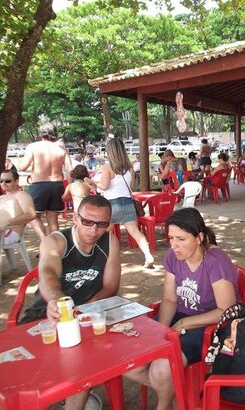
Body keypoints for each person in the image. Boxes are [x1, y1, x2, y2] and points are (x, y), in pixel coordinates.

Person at [124, 208, 240, 409]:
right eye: (170, 238)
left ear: (199, 238)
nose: (174, 245)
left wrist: (183, 323)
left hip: (211, 324)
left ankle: (164, 404)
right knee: (130, 362)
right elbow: (169, 299)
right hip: (181, 314)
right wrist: (160, 332)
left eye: (181, 239)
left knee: (160, 370)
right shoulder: (172, 256)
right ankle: (180, 395)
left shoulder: (215, 261)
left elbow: (225, 310)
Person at [21, 194, 120, 410]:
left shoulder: (110, 241)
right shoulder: (56, 241)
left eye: (101, 224)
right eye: (87, 221)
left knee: (87, 362)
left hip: (87, 318)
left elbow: (111, 287)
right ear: (75, 218)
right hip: (44, 315)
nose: (93, 230)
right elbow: (47, 273)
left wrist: (84, 312)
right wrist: (56, 300)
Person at [87, 138, 155, 268]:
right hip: (128, 202)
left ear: (110, 151)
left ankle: (101, 258)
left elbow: (105, 186)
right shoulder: (130, 167)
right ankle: (148, 256)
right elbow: (131, 188)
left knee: (105, 232)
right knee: (135, 232)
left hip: (111, 204)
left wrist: (95, 184)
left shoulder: (107, 167)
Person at [18, 122, 72, 240]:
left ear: (40, 134)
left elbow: (22, 167)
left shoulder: (33, 147)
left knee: (33, 216)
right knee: (53, 218)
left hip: (39, 184)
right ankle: (54, 245)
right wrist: (69, 188)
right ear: (55, 134)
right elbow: (69, 171)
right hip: (57, 185)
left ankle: (44, 241)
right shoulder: (62, 149)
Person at [0, 168, 36, 248]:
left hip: (9, 232)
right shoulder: (2, 197)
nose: (3, 183)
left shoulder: (21, 195)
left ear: (17, 181)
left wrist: (7, 223)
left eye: (8, 181)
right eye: (1, 181)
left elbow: (31, 214)